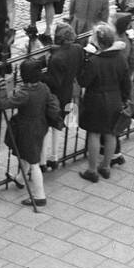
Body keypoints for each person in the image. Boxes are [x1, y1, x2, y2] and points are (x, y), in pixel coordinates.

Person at [0, 58, 60, 210]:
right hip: (40, 125)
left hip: (27, 129)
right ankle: (20, 179)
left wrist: (1, 90)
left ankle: (40, 196)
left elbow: (4, 104)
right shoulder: (43, 87)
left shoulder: (25, 94)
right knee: (27, 154)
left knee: (34, 162)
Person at [77, 22, 133, 183]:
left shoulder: (95, 61)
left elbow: (83, 81)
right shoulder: (120, 58)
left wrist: (85, 60)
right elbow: (126, 83)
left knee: (94, 134)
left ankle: (92, 170)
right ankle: (106, 166)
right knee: (111, 134)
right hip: (115, 99)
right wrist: (124, 99)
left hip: (96, 100)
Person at [40, 22, 82, 171]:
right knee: (58, 125)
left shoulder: (56, 58)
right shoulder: (77, 49)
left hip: (54, 96)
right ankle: (54, 157)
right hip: (68, 92)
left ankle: (42, 161)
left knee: (46, 126)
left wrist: (40, 75)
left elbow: (54, 81)